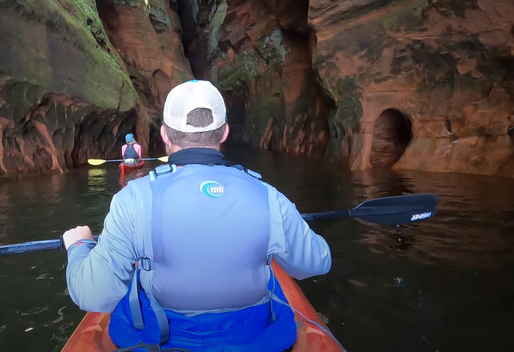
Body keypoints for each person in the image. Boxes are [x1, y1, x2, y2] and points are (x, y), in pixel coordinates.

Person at [62, 80, 331, 351]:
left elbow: (93, 295)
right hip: (255, 340)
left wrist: (79, 245)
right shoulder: (268, 196)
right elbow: (315, 264)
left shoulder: (132, 199)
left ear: (166, 134)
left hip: (159, 339)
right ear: (225, 132)